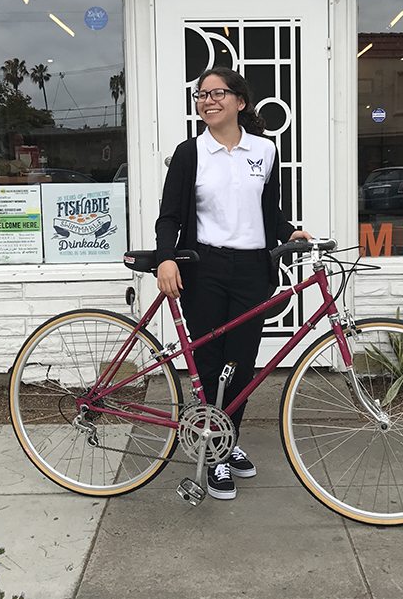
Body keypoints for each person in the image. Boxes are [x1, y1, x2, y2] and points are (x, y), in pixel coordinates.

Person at [155, 67, 312, 500]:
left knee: (240, 365)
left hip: (251, 271)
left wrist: (288, 232)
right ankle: (217, 454)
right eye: (201, 95)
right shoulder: (190, 153)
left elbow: (269, 210)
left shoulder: (264, 150)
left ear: (240, 102)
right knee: (209, 363)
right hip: (203, 268)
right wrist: (167, 257)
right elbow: (169, 215)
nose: (208, 100)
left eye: (218, 93)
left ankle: (225, 440)